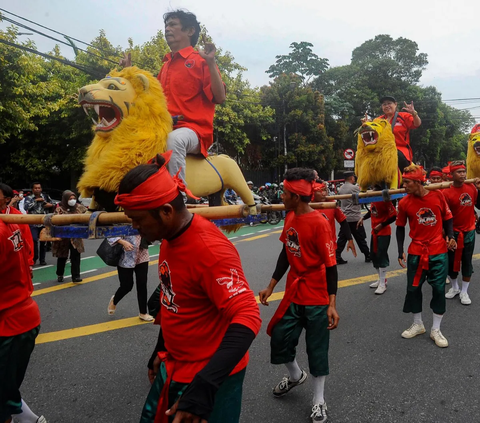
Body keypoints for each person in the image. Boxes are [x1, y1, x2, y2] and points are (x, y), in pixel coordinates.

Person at [114, 151, 261, 423]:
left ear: (166, 211)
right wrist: (161, 351)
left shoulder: (209, 250)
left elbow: (248, 316)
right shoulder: (170, 235)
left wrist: (205, 386)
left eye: (137, 219)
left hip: (209, 376)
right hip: (175, 364)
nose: (134, 227)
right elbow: (176, 299)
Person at [259, 168, 339, 423]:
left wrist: (331, 304)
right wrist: (271, 285)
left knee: (317, 349)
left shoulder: (319, 223)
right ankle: (295, 376)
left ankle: (318, 400)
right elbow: (286, 251)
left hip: (316, 296)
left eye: (284, 192)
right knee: (280, 337)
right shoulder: (290, 216)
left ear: (295, 196)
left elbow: (331, 266)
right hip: (294, 291)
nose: (281, 196)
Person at [120, 10, 226, 187]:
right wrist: (128, 72)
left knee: (174, 140)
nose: (167, 29)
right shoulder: (165, 66)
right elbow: (149, 97)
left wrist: (211, 62)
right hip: (165, 128)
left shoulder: (200, 61)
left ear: (190, 31)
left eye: (172, 25)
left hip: (193, 131)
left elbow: (220, 97)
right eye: (166, 25)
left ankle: (178, 194)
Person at [0, 183, 46, 423]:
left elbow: (29, 250)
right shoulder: (12, 219)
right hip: (19, 318)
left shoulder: (11, 221)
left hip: (11, 325)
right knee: (6, 393)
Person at [396, 164, 456, 348]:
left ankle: (436, 329)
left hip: (438, 250)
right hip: (416, 251)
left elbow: (447, 218)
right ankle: (418, 324)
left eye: (406, 182)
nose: (403, 186)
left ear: (417, 182)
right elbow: (400, 228)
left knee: (438, 289)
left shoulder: (438, 196)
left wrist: (451, 236)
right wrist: (400, 251)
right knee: (413, 289)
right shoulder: (404, 202)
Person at [442, 161, 480, 305]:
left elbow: (478, 205)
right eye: (459, 172)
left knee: (467, 261)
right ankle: (455, 287)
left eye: (464, 171)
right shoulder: (445, 192)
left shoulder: (472, 188)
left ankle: (464, 291)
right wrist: (448, 235)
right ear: (451, 175)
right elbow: (445, 216)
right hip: (454, 233)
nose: (463, 174)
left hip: (469, 231)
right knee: (451, 262)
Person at [357, 189, 397, 295]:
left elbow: (394, 215)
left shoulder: (385, 199)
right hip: (374, 231)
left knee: (381, 256)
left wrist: (382, 225)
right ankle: (381, 279)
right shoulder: (374, 197)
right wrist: (363, 218)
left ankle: (383, 284)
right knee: (374, 255)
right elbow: (372, 210)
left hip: (383, 232)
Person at [107, 235, 153, 322]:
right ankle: (115, 300)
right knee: (126, 286)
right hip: (125, 256)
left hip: (142, 254)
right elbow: (110, 235)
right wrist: (123, 242)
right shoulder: (121, 221)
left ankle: (143, 313)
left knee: (142, 285)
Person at [375, 96, 422, 172]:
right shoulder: (377, 120)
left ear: (395, 104)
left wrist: (414, 113)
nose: (387, 106)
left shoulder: (403, 116)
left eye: (389, 103)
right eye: (384, 104)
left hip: (400, 151)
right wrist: (366, 125)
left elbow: (417, 124)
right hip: (382, 152)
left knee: (397, 155)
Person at [313, 181, 357, 259]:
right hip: (312, 249)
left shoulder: (332, 204)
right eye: (319, 191)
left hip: (330, 247)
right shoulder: (305, 206)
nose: (323, 193)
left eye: (325, 190)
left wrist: (350, 239)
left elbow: (343, 222)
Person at [52, 191, 87, 283]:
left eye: (74, 199)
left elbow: (87, 216)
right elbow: (55, 221)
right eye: (70, 199)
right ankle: (60, 274)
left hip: (76, 236)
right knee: (62, 257)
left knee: (76, 256)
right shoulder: (59, 210)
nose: (72, 201)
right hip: (63, 236)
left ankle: (76, 276)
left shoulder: (80, 207)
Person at [336, 171, 370, 264]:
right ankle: (367, 255)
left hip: (345, 217)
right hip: (354, 217)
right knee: (360, 238)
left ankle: (337, 255)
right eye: (353, 177)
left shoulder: (341, 188)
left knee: (342, 239)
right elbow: (363, 194)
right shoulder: (354, 188)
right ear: (351, 178)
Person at [23, 183, 53, 265]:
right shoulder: (28, 198)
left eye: (39, 188)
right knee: (33, 240)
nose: (37, 189)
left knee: (44, 241)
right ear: (32, 189)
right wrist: (36, 201)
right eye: (35, 188)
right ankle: (34, 257)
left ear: (41, 189)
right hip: (33, 222)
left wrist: (47, 205)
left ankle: (42, 259)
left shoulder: (45, 196)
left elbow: (52, 204)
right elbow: (26, 207)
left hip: (43, 221)